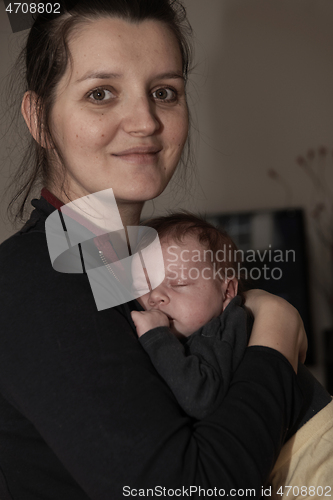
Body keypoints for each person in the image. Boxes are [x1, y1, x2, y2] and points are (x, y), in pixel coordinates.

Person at [0, 1, 308, 498]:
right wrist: (277, 333)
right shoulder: (34, 281)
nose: (144, 121)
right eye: (101, 93)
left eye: (164, 92)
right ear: (39, 118)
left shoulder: (122, 271)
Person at [132, 212, 333, 499]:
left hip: (318, 449)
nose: (156, 297)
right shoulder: (200, 332)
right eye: (144, 287)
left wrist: (156, 338)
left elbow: (199, 398)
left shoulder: (224, 329)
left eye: (178, 284)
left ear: (227, 291)